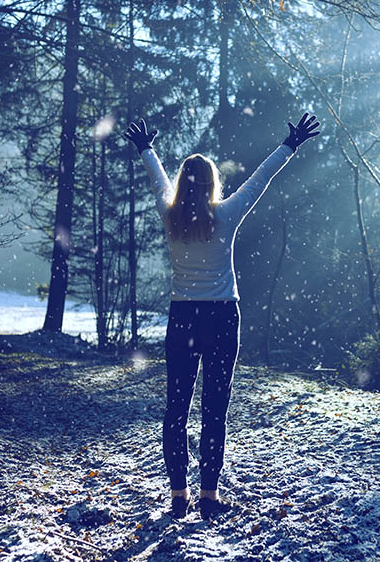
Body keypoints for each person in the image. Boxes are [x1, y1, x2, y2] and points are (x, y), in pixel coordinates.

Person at [123, 112, 321, 521]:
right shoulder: (226, 215)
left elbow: (158, 179)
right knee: (215, 409)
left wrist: (146, 148)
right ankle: (209, 497)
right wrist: (291, 144)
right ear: (213, 185)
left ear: (183, 184)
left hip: (182, 319)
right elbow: (259, 181)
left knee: (176, 408)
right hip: (221, 319)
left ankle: (179, 495)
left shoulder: (169, 212)